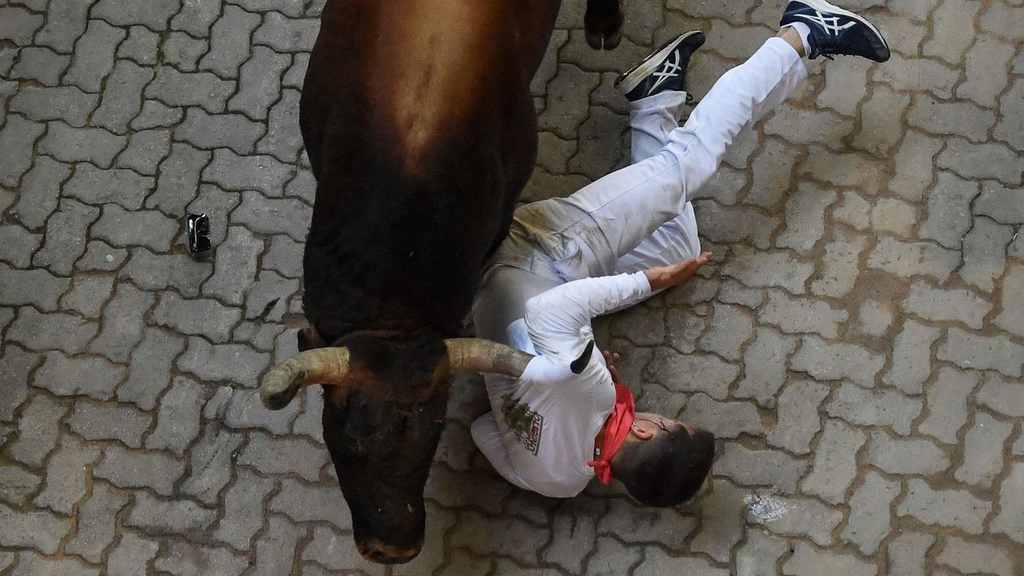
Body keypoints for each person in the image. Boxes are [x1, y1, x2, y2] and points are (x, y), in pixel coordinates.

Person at [470, 0, 890, 504]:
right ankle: (654, 98)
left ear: (648, 431)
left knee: (685, 168)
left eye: (670, 418)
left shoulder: (592, 384)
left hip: (539, 249)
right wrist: (540, 385)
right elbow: (482, 432)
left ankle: (803, 32)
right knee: (678, 242)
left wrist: (650, 283)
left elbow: (549, 311)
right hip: (486, 295)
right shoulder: (559, 482)